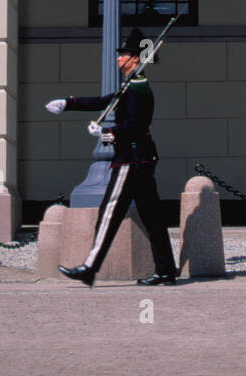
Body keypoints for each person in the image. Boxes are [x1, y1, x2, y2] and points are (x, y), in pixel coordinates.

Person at [45, 27, 177, 287]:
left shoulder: (138, 89)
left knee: (109, 214)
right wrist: (67, 103)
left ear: (135, 59)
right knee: (152, 218)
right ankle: (165, 271)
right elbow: (103, 101)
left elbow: (133, 129)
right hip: (141, 160)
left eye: (124, 55)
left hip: (131, 160)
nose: (118, 59)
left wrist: (104, 134)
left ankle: (89, 268)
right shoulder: (131, 86)